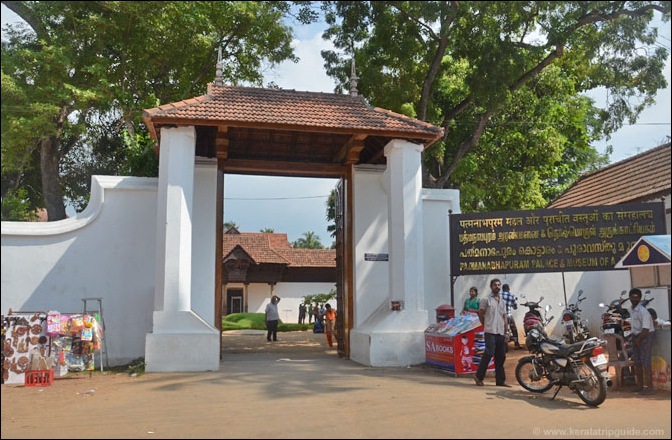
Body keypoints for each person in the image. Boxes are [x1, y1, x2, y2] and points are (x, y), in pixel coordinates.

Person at [473, 278, 510, 387]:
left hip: (500, 331)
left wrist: (506, 330)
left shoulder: (502, 301)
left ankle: (500, 380)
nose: (497, 287)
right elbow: (481, 313)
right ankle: (478, 376)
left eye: (499, 285)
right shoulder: (486, 300)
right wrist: (485, 325)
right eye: (495, 285)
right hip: (490, 330)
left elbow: (504, 317)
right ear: (491, 286)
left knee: (501, 355)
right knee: (489, 353)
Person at [629, 288, 656, 395]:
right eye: (632, 297)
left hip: (646, 336)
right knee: (637, 361)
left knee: (645, 362)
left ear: (640, 298)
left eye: (636, 298)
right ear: (629, 298)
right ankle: (640, 386)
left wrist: (638, 340)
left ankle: (650, 388)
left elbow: (646, 329)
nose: (634, 299)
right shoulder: (631, 309)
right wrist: (634, 339)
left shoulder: (643, 311)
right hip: (636, 336)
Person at [501, 284, 521, 350]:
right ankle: (516, 344)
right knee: (514, 328)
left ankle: (504, 346)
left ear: (502, 289)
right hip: (509, 315)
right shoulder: (511, 295)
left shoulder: (499, 295)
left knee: (503, 330)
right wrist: (513, 305)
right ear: (508, 289)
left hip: (501, 316)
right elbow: (515, 306)